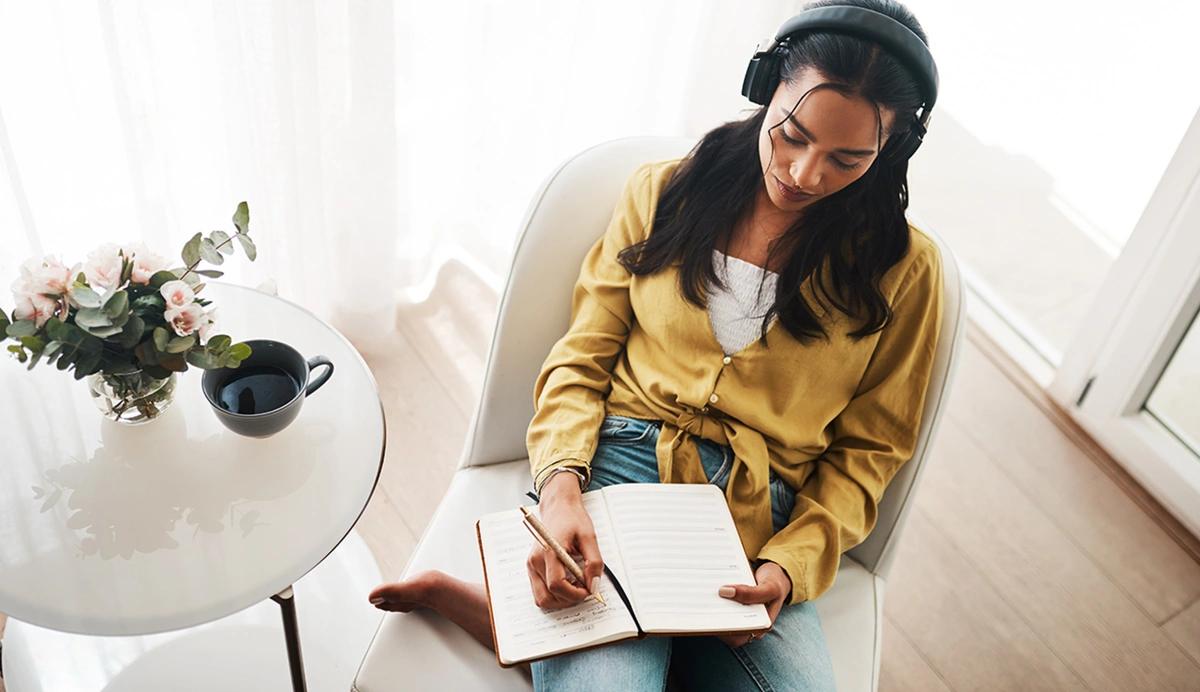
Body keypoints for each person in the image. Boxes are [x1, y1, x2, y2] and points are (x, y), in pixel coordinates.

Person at [368, 1, 942, 689]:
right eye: (791, 135)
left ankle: (508, 620)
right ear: (765, 89)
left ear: (894, 149)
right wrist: (560, 492)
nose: (805, 174)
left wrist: (789, 567)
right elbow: (581, 360)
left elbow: (869, 455)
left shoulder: (907, 274)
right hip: (619, 472)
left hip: (756, 525)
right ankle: (539, 625)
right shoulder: (662, 192)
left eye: (848, 158)